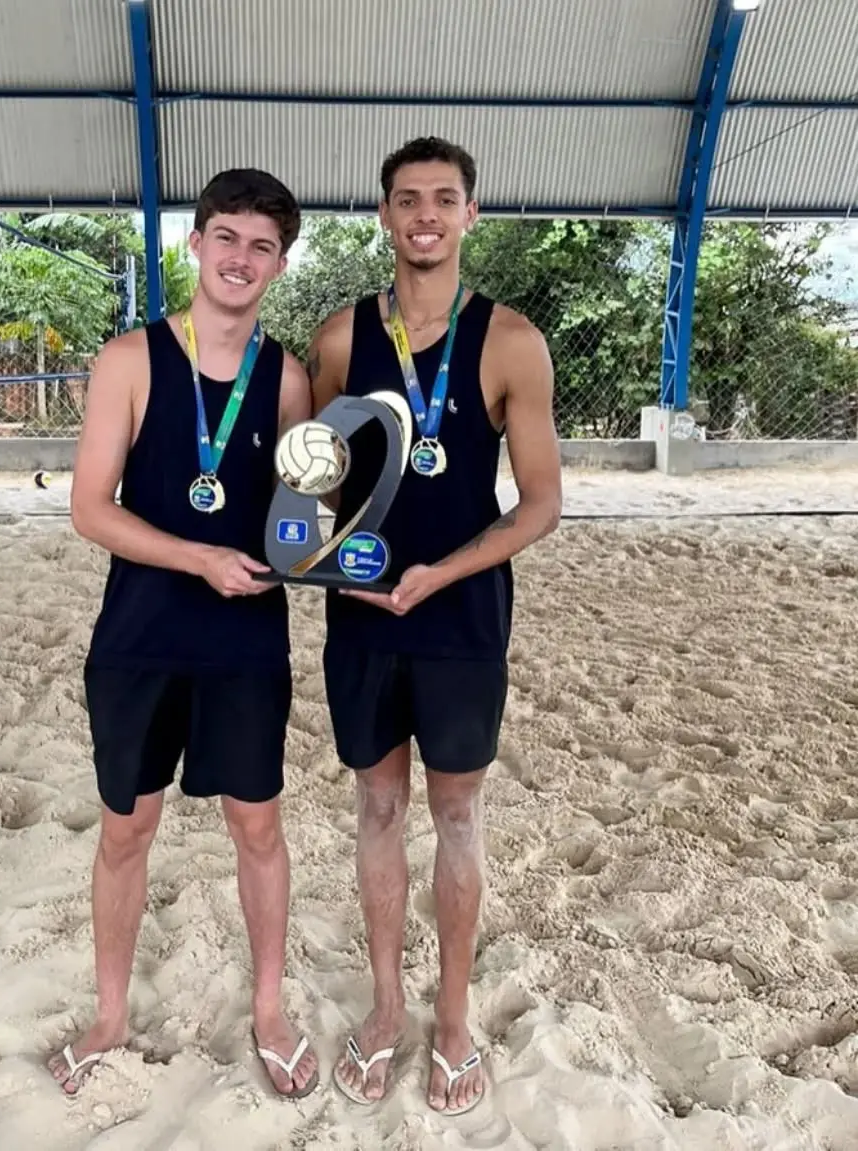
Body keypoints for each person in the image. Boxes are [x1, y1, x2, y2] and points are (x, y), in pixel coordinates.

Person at [49, 168, 318, 1100]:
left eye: (262, 247)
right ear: (196, 243)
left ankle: (270, 1009)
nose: (241, 259)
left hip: (246, 643)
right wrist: (195, 556)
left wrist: (327, 540)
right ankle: (110, 1014)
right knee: (127, 829)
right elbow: (91, 508)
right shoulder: (129, 360)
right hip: (140, 635)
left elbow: (299, 519)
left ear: (280, 265)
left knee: (258, 825)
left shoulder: (287, 379)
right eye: (227, 238)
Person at [306, 136, 562, 1115]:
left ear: (470, 214)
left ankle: (452, 1018)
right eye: (407, 198)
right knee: (377, 806)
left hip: (460, 615)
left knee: (456, 814)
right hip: (364, 613)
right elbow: (309, 483)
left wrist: (441, 572)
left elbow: (540, 503)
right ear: (383, 214)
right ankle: (385, 1009)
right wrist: (329, 561)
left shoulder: (511, 341)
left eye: (443, 198)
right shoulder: (339, 339)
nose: (425, 214)